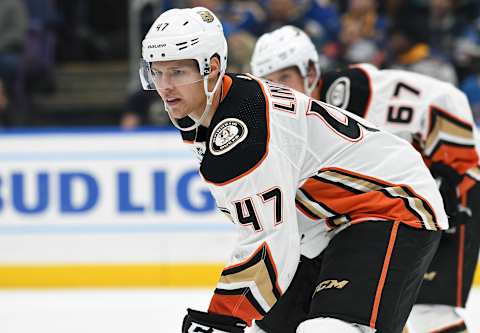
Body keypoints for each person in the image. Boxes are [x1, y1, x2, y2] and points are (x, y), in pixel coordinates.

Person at [141, 8, 447, 333]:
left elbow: (269, 238)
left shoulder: (244, 125)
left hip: (390, 205)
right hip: (325, 227)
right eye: (156, 73)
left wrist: (221, 318)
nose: (165, 86)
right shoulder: (206, 115)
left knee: (329, 331)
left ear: (212, 69)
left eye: (176, 72)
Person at [251, 25, 480, 333]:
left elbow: (445, 98)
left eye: (285, 78)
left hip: (451, 188)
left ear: (310, 72)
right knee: (387, 311)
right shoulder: (292, 126)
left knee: (430, 310)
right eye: (269, 82)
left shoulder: (350, 94)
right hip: (403, 205)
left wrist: (454, 167)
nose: (279, 89)